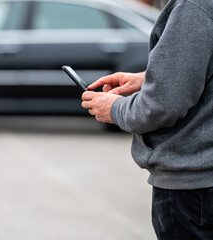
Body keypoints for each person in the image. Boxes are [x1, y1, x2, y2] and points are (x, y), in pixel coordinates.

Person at [81, 0, 213, 239]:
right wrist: (151, 78)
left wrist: (113, 108)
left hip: (194, 187)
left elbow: (161, 106)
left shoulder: (193, 6)